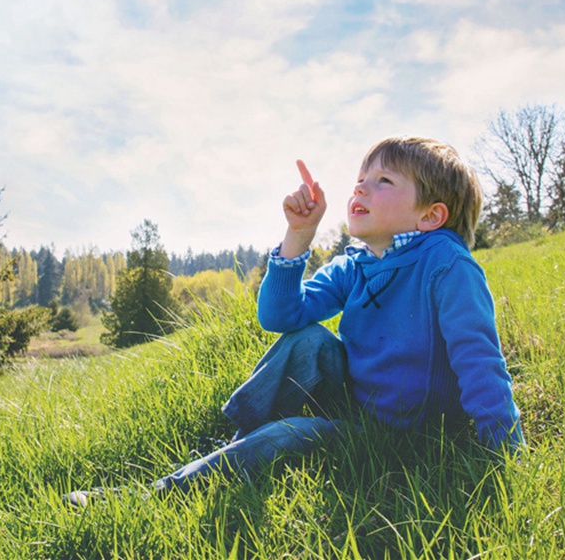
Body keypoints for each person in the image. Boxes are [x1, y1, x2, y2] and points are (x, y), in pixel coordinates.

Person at [65, 136, 525, 506]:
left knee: (292, 435)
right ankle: (238, 441)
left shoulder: (448, 265)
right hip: (360, 405)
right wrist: (298, 236)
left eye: (383, 180)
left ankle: (156, 495)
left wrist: (504, 453)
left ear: (430, 216)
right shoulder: (358, 263)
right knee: (305, 339)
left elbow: (479, 361)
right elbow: (280, 316)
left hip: (408, 433)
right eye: (360, 178)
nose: (360, 188)